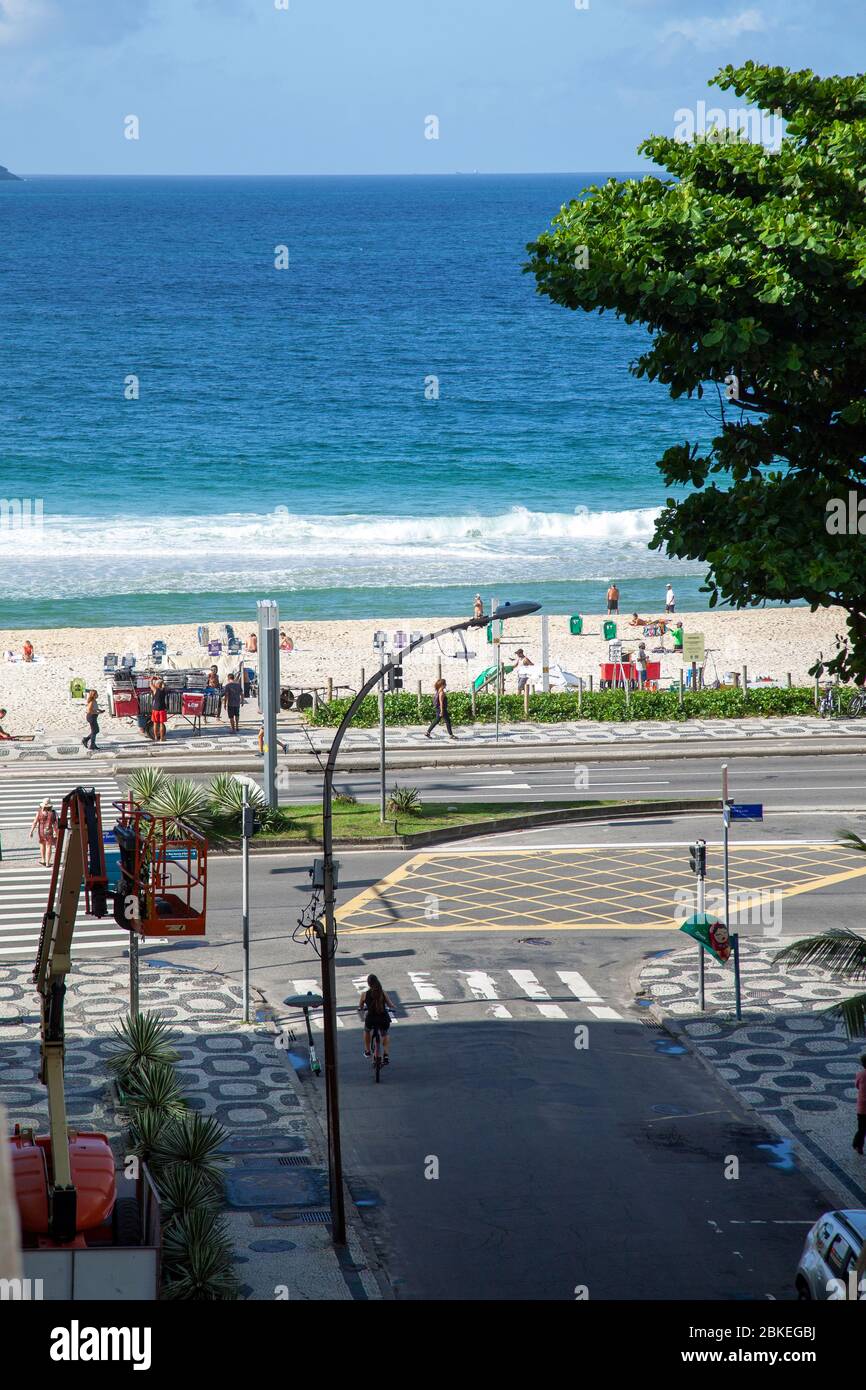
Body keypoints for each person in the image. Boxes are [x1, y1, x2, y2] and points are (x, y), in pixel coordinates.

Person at [358, 974, 394, 1064]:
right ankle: (385, 1055)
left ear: (368, 984)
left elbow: (360, 1006)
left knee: (367, 1030)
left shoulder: (364, 994)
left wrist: (362, 1008)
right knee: (384, 1033)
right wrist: (392, 1007)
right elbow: (390, 1005)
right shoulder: (383, 992)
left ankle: (367, 1051)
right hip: (383, 1019)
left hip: (371, 1019)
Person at [30, 798, 58, 867]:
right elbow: (55, 824)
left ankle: (43, 860)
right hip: (49, 831)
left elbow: (35, 822)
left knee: (42, 844)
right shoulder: (53, 813)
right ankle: (48, 863)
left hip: (41, 831)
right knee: (48, 846)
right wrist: (56, 832)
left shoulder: (39, 812)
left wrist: (31, 831)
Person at [853, 1054, 866, 1157]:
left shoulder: (860, 1074)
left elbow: (857, 1085)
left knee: (861, 1128)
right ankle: (856, 1144)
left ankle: (858, 1145)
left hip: (862, 1106)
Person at [150, 675, 168, 742]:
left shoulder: (155, 690)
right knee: (161, 724)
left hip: (155, 709)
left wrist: (151, 679)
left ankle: (155, 737)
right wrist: (161, 679)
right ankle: (161, 738)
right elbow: (163, 685)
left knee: (155, 723)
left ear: (157, 685)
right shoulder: (164, 690)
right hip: (162, 709)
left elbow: (151, 684)